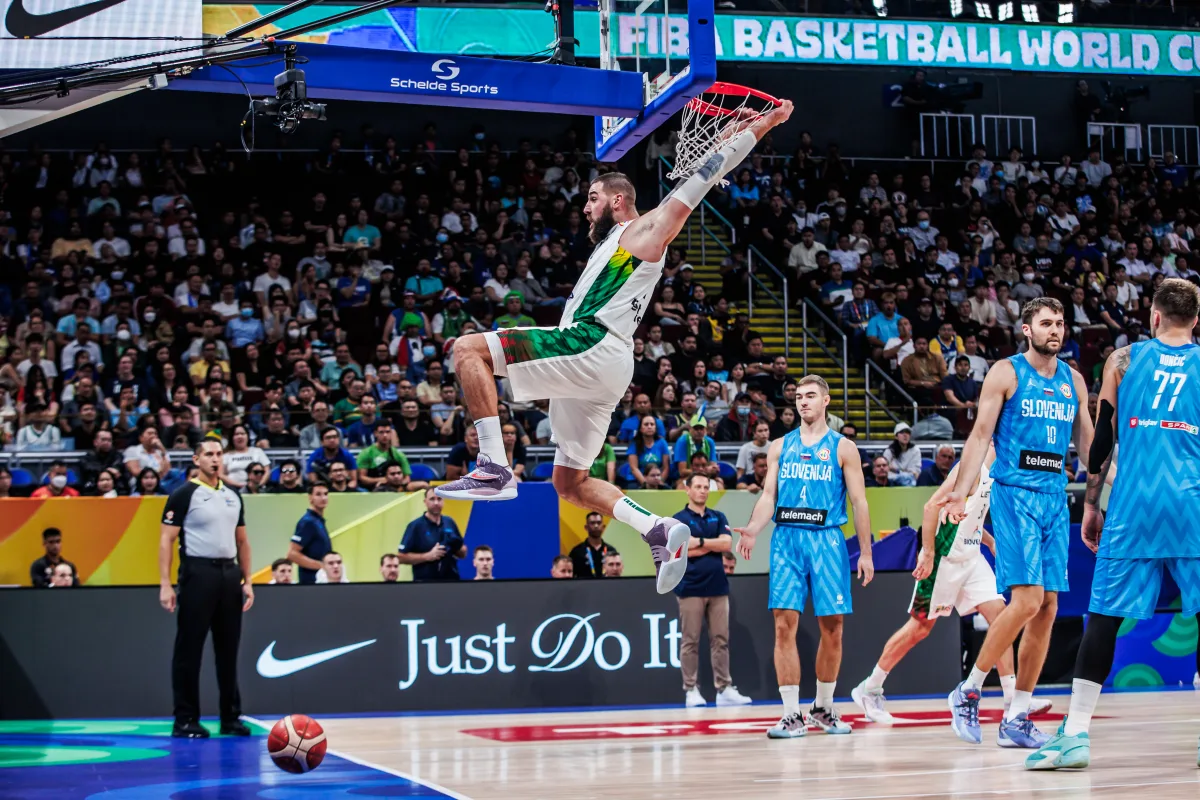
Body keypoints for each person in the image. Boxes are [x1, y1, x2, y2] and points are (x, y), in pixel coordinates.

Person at [435, 100, 793, 597]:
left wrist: (761, 125)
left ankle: (494, 465)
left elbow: (705, 175)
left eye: (593, 197)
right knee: (569, 483)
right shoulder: (609, 245)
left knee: (467, 351)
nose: (585, 206)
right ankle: (658, 530)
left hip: (592, 343)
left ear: (620, 200)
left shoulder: (642, 233)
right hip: (604, 363)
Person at [1027, 279, 1200, 770]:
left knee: (1103, 617)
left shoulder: (1123, 361)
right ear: (1195, 321)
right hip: (1192, 505)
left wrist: (1092, 505)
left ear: (1154, 316)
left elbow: (1099, 446)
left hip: (1134, 503)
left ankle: (1076, 735)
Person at [944, 297, 1091, 748]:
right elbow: (980, 435)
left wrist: (1107, 496)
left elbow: (1089, 450)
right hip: (1014, 495)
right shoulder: (1006, 373)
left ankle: (1017, 715)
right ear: (1026, 329)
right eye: (1046, 323)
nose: (1056, 330)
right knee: (1026, 600)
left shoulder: (1074, 380)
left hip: (1053, 498)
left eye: (1061, 323)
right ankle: (968, 690)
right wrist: (962, 491)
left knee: (1047, 607)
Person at [852, 442, 1050, 724]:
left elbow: (972, 517)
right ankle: (869, 688)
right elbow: (931, 505)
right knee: (920, 627)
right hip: (944, 556)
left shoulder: (1000, 472)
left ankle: (1012, 699)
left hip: (971, 556)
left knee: (1001, 618)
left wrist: (990, 542)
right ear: (997, 441)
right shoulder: (968, 469)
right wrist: (929, 553)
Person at [735, 375, 874, 738]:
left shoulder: (843, 448)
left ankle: (823, 708)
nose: (803, 402)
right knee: (783, 626)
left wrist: (866, 553)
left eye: (810, 396)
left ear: (826, 400)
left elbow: (859, 502)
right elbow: (768, 496)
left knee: (833, 629)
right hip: (787, 540)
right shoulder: (780, 446)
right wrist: (753, 528)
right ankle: (790, 714)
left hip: (828, 539)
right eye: (799, 397)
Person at [158, 436, 253, 739]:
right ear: (196, 460)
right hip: (197, 572)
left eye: (219, 454)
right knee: (189, 649)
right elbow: (166, 540)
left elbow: (242, 541)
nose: (215, 459)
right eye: (209, 454)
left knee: (228, 650)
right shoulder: (184, 494)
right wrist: (165, 583)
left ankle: (231, 718)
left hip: (229, 574)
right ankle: (185, 719)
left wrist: (247, 580)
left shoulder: (234, 496)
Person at [674, 473, 751, 708]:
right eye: (697, 486)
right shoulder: (678, 520)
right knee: (690, 640)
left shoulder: (718, 516)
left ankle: (724, 688)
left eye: (706, 487)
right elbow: (682, 550)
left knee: (721, 639)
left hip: (718, 586)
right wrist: (710, 544)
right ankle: (691, 690)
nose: (702, 491)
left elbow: (727, 545)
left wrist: (699, 542)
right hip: (689, 586)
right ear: (687, 490)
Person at [397, 488, 465, 581]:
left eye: (439, 499)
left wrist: (457, 546)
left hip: (450, 581)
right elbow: (401, 557)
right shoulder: (416, 526)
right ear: (425, 502)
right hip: (425, 583)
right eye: (432, 499)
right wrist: (427, 556)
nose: (436, 503)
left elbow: (463, 553)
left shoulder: (449, 522)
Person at [287, 483, 331, 585]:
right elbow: (292, 554)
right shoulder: (308, 522)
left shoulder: (318, 521)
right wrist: (322, 566)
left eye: (325, 494)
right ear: (310, 497)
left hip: (322, 580)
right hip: (311, 582)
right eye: (318, 494)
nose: (323, 498)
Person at [569, 512, 619, 579]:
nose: (596, 526)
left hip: (607, 587)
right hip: (584, 588)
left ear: (603, 527)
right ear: (586, 527)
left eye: (599, 523)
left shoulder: (611, 550)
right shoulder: (577, 552)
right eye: (592, 523)